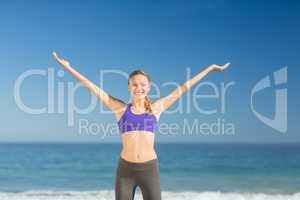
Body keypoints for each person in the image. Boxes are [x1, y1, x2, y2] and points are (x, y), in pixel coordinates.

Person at [53, 51, 230, 200]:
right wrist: (68, 67)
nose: (139, 88)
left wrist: (210, 69)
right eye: (135, 84)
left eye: (143, 84)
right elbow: (92, 87)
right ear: (129, 87)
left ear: (149, 87)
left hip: (149, 169)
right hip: (125, 171)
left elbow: (184, 87)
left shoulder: (156, 109)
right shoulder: (120, 109)